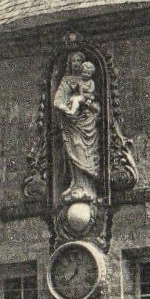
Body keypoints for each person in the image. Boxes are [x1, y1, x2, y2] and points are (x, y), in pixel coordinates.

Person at [52, 52, 102, 202]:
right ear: (69, 64)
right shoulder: (66, 80)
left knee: (85, 151)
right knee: (73, 150)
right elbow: (58, 99)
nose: (76, 63)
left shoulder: (89, 81)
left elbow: (95, 99)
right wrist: (63, 106)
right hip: (70, 122)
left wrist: (89, 104)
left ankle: (87, 187)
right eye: (73, 61)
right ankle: (76, 185)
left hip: (87, 123)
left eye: (79, 60)